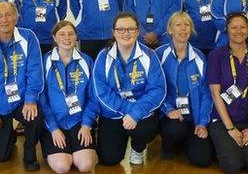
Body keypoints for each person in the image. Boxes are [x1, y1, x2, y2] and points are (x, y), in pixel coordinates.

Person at [0, 2, 43, 171]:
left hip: (22, 101)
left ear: (16, 17)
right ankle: (9, 134)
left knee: (36, 116)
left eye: (8, 14)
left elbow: (34, 71)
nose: (4, 19)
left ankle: (29, 152)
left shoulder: (28, 38)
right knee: (1, 157)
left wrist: (30, 100)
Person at [92, 12, 166, 166]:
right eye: (121, 29)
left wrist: (136, 113)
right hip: (113, 112)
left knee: (143, 131)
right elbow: (101, 92)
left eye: (131, 29)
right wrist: (127, 110)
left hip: (142, 113)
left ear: (137, 31)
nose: (126, 33)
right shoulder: (103, 57)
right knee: (108, 159)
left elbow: (158, 89)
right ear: (114, 32)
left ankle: (138, 147)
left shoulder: (149, 55)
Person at [207, 12, 248, 174]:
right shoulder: (216, 55)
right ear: (226, 30)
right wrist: (230, 128)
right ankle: (227, 149)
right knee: (233, 166)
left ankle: (238, 149)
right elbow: (215, 94)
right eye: (234, 27)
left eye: (243, 27)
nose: (238, 31)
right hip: (222, 121)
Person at [154, 12, 213, 167]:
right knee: (175, 129)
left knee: (203, 160)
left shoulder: (200, 57)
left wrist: (202, 123)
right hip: (169, 116)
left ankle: (186, 141)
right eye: (178, 24)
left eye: (187, 25)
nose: (183, 28)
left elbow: (206, 93)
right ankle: (169, 146)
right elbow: (154, 89)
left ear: (191, 29)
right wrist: (168, 109)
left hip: (193, 118)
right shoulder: (159, 54)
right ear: (170, 29)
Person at [39, 21, 98, 173]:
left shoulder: (87, 61)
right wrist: (53, 128)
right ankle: (66, 153)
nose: (67, 38)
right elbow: (42, 99)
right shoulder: (45, 62)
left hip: (79, 122)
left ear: (76, 37)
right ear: (54, 38)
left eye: (71, 34)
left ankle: (78, 152)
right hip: (54, 124)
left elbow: (94, 97)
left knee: (85, 166)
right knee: (62, 167)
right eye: (62, 34)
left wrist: (86, 124)